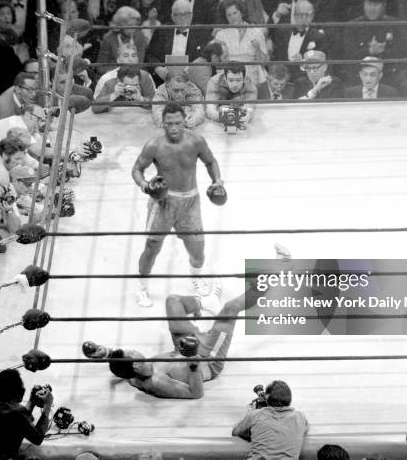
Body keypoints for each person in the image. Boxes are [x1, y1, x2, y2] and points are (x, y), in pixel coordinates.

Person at [84, 281, 265, 398]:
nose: (135, 351)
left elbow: (121, 369)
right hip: (207, 359)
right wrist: (192, 360)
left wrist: (106, 353)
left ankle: (206, 303)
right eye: (133, 353)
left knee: (173, 301)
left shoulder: (134, 374)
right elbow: (196, 393)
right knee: (231, 307)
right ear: (136, 365)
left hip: (183, 348)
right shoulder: (158, 382)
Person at [131, 102, 223, 307]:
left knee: (197, 249)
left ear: (185, 121)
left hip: (190, 200)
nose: (173, 127)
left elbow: (211, 161)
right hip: (163, 201)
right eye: (169, 123)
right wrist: (145, 186)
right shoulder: (154, 145)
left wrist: (217, 181)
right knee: (152, 247)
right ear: (162, 123)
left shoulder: (196, 141)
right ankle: (141, 286)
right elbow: (137, 169)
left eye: (177, 123)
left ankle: (196, 277)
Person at [0, 368, 53, 460]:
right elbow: (38, 438)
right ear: (18, 392)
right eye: (22, 387)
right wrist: (48, 405)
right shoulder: (18, 414)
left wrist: (31, 402)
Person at [232, 380, 309, 460]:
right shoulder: (301, 417)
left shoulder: (254, 414)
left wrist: (250, 413)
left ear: (267, 397)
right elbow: (304, 430)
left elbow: (235, 431)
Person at [146, 0, 210, 85]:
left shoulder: (202, 32)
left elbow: (206, 56)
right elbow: (150, 55)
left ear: (192, 15)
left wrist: (192, 70)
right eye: (179, 15)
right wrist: (158, 68)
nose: (184, 18)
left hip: (192, 81)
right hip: (164, 81)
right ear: (172, 16)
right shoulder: (162, 31)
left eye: (187, 14)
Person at [271, 0, 329, 82]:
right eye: (300, 14)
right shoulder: (282, 31)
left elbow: (320, 64)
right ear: (294, 15)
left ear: (312, 16)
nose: (303, 18)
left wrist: (303, 61)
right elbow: (276, 57)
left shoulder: (318, 37)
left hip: (304, 81)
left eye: (307, 15)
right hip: (281, 80)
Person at [214, 0, 268, 86]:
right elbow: (217, 63)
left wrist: (258, 49)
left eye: (235, 13)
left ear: (242, 13)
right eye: (229, 15)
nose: (232, 17)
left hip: (252, 82)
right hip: (230, 82)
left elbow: (263, 63)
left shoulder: (256, 32)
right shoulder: (221, 35)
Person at [96, 6, 149, 76]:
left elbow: (139, 64)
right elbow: (100, 67)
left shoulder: (140, 37)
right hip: (113, 77)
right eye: (130, 25)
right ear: (120, 24)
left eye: (135, 24)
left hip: (134, 77)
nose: (134, 28)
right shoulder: (108, 38)